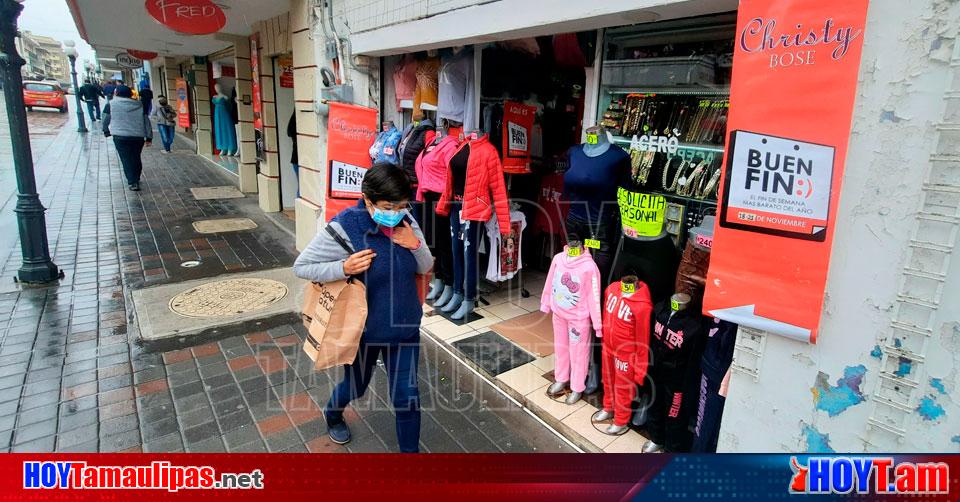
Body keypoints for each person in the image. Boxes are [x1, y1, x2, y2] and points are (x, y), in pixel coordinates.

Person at [293, 163, 433, 453]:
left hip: (405, 327)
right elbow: (302, 266)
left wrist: (414, 243)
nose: (395, 213)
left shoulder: (406, 219)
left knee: (407, 397)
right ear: (368, 200)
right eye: (387, 206)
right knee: (356, 386)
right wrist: (343, 267)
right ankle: (333, 414)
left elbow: (426, 265)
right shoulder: (347, 225)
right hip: (363, 334)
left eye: (402, 206)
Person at [102, 85, 152, 191]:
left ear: (117, 93)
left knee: (126, 159)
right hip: (137, 136)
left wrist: (106, 130)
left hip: (120, 136)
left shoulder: (111, 104)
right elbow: (146, 121)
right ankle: (136, 177)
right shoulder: (139, 104)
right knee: (136, 157)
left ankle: (132, 181)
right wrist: (149, 137)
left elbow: (105, 118)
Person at [286, 113, 299, 197]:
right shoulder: (297, 118)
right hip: (298, 158)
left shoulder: (295, 118)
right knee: (303, 189)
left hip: (296, 158)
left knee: (302, 188)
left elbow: (289, 132)